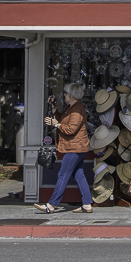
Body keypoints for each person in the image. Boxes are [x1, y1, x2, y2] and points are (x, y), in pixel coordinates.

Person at [34, 82, 92, 214]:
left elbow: (71, 129)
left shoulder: (77, 109)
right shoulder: (71, 107)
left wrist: (57, 125)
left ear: (72, 95)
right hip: (77, 147)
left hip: (75, 147)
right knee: (79, 175)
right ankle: (87, 204)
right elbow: (61, 118)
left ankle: (51, 205)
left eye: (66, 93)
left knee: (63, 175)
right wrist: (53, 108)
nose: (64, 95)